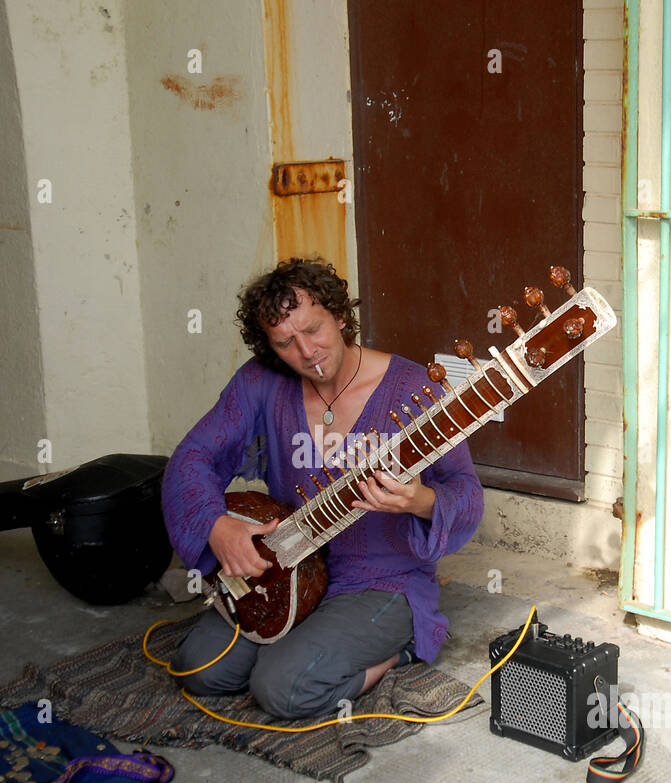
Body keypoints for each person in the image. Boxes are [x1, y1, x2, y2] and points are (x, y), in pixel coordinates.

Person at [161, 257, 484, 719]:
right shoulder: (262, 381)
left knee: (281, 689)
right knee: (200, 670)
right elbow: (194, 457)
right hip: (287, 569)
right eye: (285, 343)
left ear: (339, 315)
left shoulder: (414, 388)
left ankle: (401, 648)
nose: (306, 351)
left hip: (378, 580)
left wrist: (421, 500)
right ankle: (307, 641)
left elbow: (467, 493)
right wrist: (216, 527)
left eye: (313, 329)